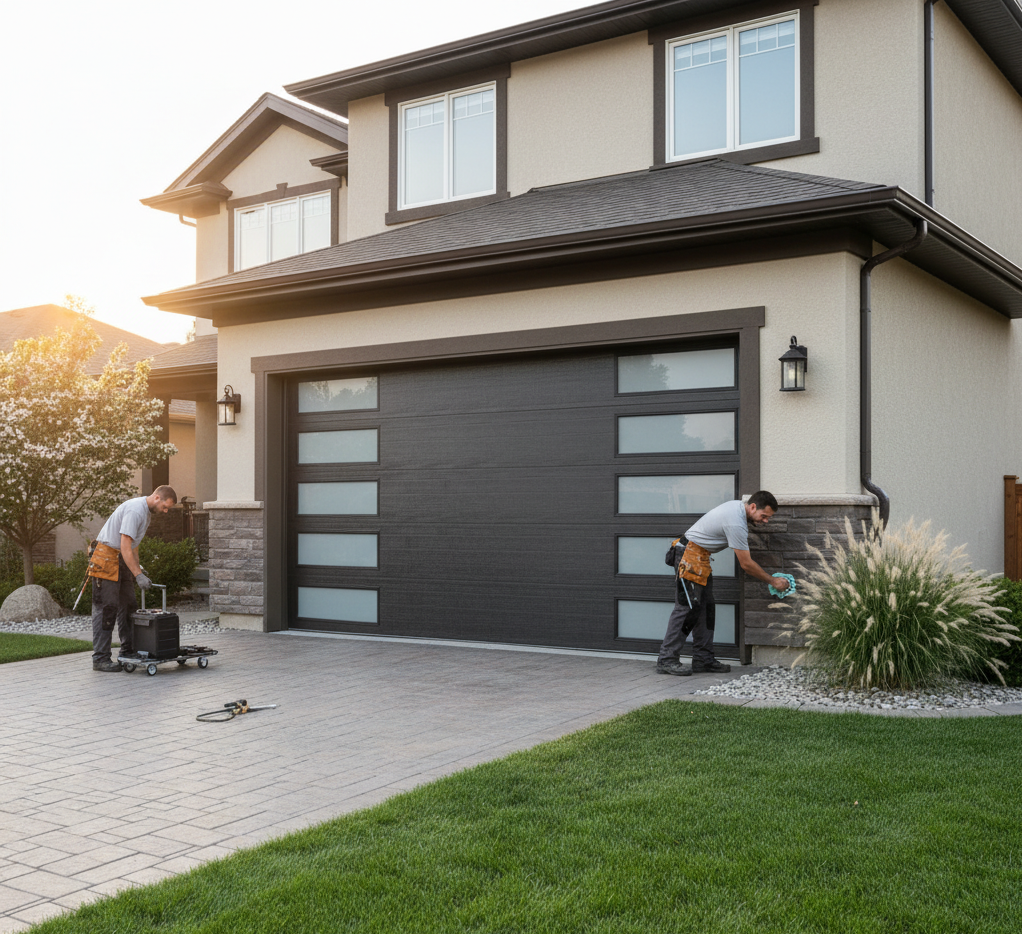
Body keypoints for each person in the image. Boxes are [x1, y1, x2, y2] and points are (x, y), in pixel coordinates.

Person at [657, 490, 790, 676]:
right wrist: (773, 581)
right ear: (752, 506)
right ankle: (667, 659)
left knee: (706, 609)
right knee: (686, 609)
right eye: (764, 516)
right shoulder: (736, 522)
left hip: (699, 557)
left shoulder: (738, 510)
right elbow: (746, 564)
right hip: (688, 556)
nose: (765, 520)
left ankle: (703, 659)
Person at [90, 486, 177, 672]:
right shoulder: (135, 510)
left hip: (121, 560)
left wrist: (138, 569)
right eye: (165, 506)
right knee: (107, 609)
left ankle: (128, 651)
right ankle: (100, 658)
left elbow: (133, 546)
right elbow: (125, 544)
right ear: (156, 497)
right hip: (106, 559)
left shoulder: (146, 514)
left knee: (129, 606)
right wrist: (137, 575)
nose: (166, 511)